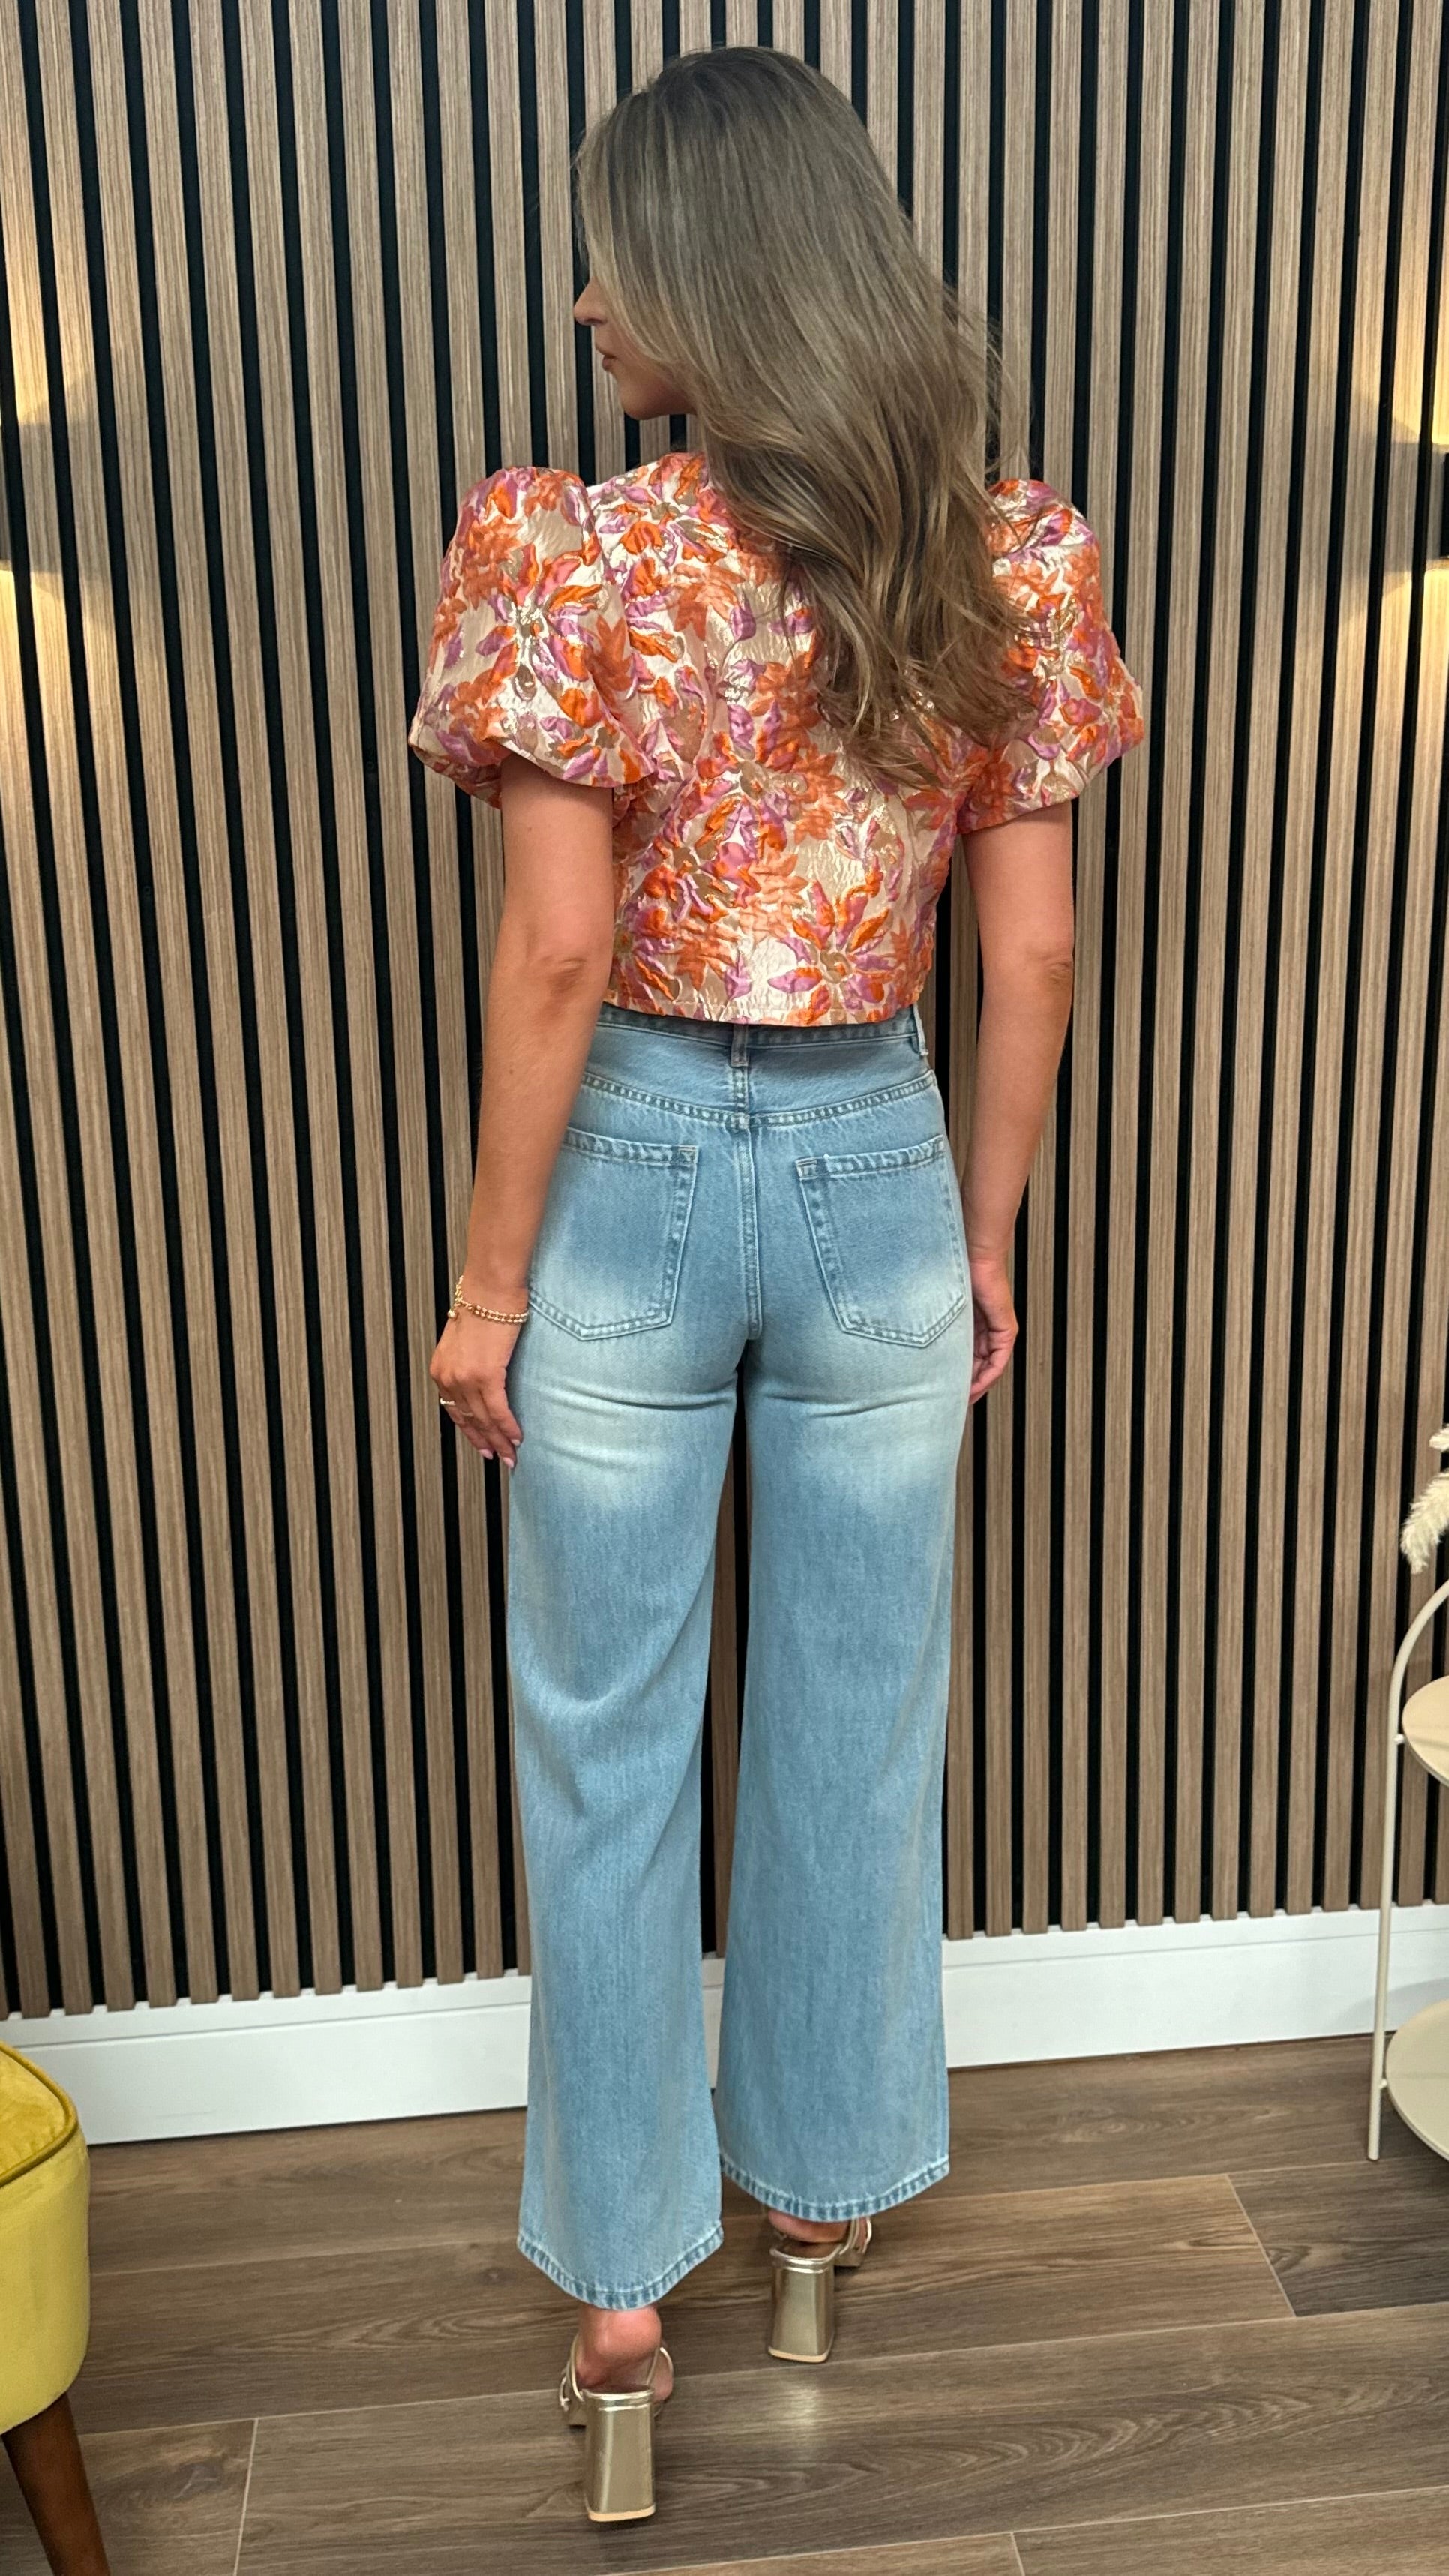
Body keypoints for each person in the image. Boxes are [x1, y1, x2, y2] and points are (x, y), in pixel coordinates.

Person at [408, 44, 1143, 2526]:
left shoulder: (568, 552)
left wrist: (488, 1287)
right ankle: (817, 2212)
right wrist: (979, 1232)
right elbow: (1025, 953)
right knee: (854, 1713)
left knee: (605, 1737)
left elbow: (552, 950)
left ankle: (627, 2311)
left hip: (625, 1164)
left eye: (607, 257)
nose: (583, 301)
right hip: (874, 1162)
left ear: (707, 276)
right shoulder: (1005, 555)